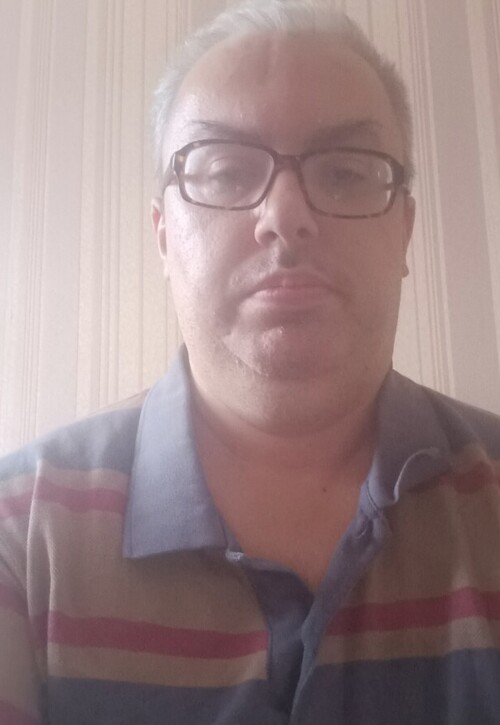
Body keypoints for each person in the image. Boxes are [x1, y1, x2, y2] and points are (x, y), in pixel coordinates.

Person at [1, 1, 499, 722]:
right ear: (164, 235)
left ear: (404, 231)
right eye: (227, 170)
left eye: (346, 172)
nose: (284, 214)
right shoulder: (19, 534)